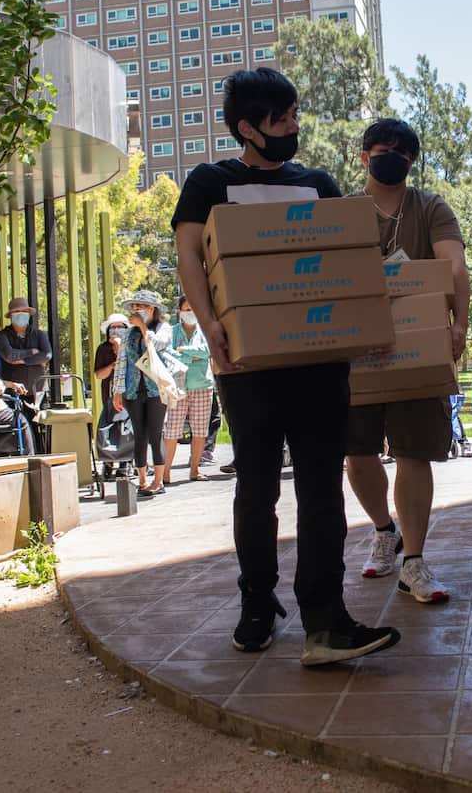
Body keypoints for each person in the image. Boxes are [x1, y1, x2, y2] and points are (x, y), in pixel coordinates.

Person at [171, 67, 400, 665]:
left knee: (322, 490)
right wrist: (210, 325)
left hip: (320, 363)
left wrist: (365, 324)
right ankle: (257, 601)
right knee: (257, 488)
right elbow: (190, 256)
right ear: (249, 128)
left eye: (295, 115)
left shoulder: (317, 183)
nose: (294, 126)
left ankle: (325, 621)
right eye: (284, 119)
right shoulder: (210, 182)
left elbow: (347, 257)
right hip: (246, 366)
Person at [346, 118, 469, 604]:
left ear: (412, 161)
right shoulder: (344, 211)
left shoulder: (430, 207)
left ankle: (414, 562)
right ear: (364, 157)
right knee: (358, 453)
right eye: (382, 150)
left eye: (402, 152)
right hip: (357, 350)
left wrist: (459, 325)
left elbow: (454, 265)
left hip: (419, 346)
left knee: (414, 452)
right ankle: (384, 531)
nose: (391, 158)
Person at [111, 291, 173, 497]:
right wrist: (117, 391)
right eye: (134, 307)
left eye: (140, 306)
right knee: (139, 434)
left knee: (155, 434)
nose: (136, 310)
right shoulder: (128, 333)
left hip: (156, 389)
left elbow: (158, 345)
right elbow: (122, 362)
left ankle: (158, 480)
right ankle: (143, 480)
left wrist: (144, 328)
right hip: (133, 390)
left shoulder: (163, 328)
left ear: (151, 309)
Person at [163, 296, 214, 483]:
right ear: (180, 312)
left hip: (202, 386)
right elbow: (168, 354)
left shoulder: (205, 330)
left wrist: (183, 350)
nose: (190, 313)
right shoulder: (171, 332)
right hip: (177, 388)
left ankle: (194, 470)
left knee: (200, 430)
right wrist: (192, 355)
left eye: (193, 309)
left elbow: (207, 351)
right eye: (186, 310)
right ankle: (165, 472)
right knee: (171, 431)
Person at [0, 297, 51, 399]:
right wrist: (32, 352)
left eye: (24, 311)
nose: (21, 314)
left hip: (38, 391)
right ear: (11, 315)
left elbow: (47, 355)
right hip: (12, 393)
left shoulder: (39, 334)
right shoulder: (2, 336)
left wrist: (22, 360)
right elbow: (9, 355)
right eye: (17, 311)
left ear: (29, 314)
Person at [93, 312, 129, 409]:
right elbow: (99, 375)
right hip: (109, 393)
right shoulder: (103, 348)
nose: (116, 330)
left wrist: (119, 345)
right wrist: (112, 366)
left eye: (120, 327)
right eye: (113, 327)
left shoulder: (133, 346)